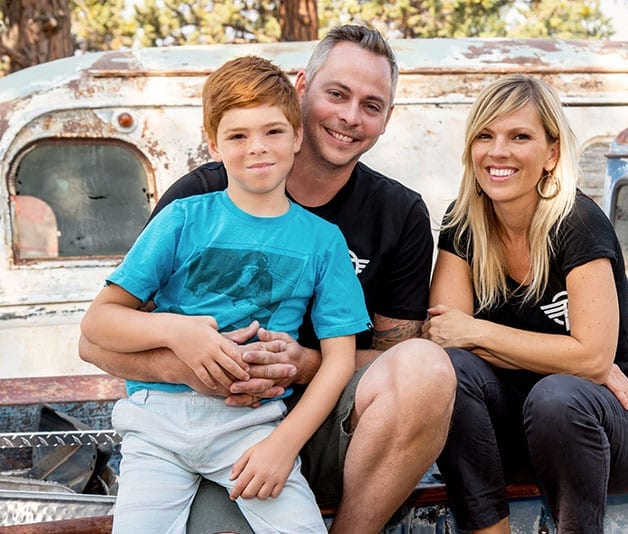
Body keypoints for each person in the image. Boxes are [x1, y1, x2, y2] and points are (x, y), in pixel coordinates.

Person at [79, 25, 456, 533]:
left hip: (296, 430)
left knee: (427, 366)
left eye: (372, 104)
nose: (349, 116)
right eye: (337, 94)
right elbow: (97, 337)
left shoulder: (389, 216)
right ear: (303, 90)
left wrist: (302, 366)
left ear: (387, 119)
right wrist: (192, 353)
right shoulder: (194, 204)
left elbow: (392, 356)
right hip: (178, 426)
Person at [422, 74, 628, 533]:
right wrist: (573, 358)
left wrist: (481, 333)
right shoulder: (462, 223)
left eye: (519, 136)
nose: (498, 151)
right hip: (524, 431)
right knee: (449, 372)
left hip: (623, 425)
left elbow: (593, 357)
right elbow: (444, 337)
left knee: (558, 395)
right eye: (485, 135)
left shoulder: (577, 222)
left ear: (551, 153)